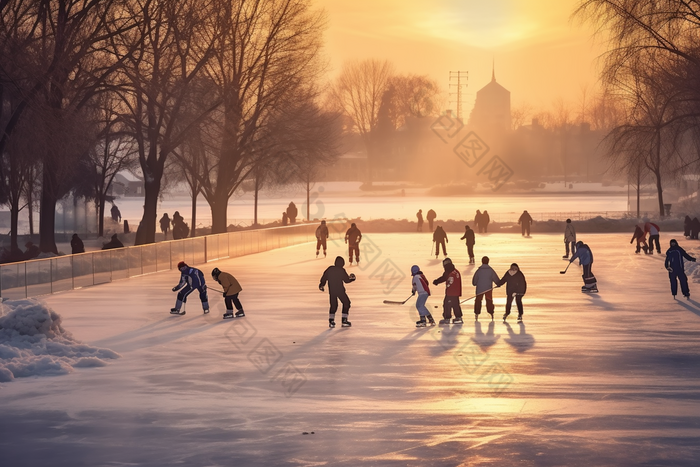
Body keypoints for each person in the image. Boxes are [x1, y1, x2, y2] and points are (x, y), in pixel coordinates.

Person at [319, 256, 356, 328]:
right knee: (346, 303)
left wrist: (321, 285)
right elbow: (346, 280)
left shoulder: (329, 269)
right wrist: (352, 279)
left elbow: (324, 278)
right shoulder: (341, 270)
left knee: (333, 306)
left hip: (332, 291)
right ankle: (344, 320)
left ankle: (331, 321)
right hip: (340, 291)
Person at [432, 257, 463, 324]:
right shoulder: (455, 271)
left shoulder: (449, 272)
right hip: (456, 292)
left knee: (447, 304)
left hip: (451, 292)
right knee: (455, 304)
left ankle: (447, 318)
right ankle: (459, 317)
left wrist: (436, 281)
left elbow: (444, 278)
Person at [472, 256, 500, 320]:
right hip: (488, 289)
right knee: (489, 300)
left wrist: (475, 283)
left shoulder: (479, 271)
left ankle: (477, 313)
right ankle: (491, 312)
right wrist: (498, 283)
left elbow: (474, 282)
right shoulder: (491, 270)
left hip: (480, 289)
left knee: (478, 301)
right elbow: (496, 279)